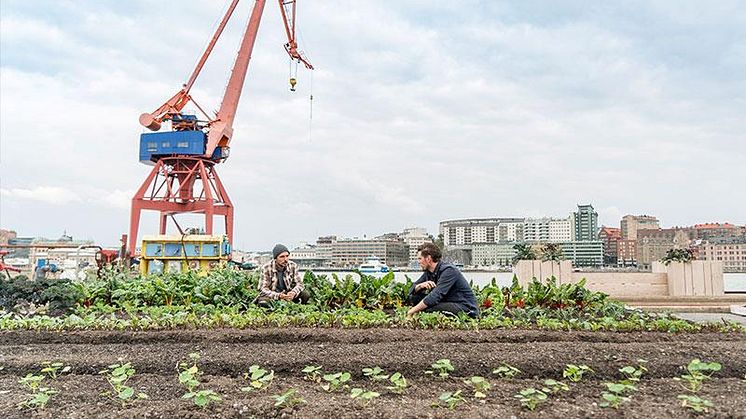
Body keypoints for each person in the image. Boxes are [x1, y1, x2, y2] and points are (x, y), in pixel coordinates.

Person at [406, 243, 478, 319]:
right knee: (415, 298)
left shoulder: (449, 271)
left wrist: (412, 311)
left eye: (420, 259)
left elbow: (435, 295)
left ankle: (416, 314)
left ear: (428, 259)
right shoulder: (429, 272)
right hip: (447, 302)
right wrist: (420, 286)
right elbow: (411, 289)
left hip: (465, 307)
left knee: (428, 309)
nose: (419, 262)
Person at [255, 244, 310, 308]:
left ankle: (297, 306)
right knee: (263, 302)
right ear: (276, 258)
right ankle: (274, 308)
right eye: (282, 257)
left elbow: (300, 284)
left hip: (288, 293)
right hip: (273, 295)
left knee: (305, 294)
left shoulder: (293, 266)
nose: (286, 259)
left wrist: (293, 292)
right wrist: (278, 295)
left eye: (287, 256)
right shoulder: (266, 268)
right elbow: (262, 288)